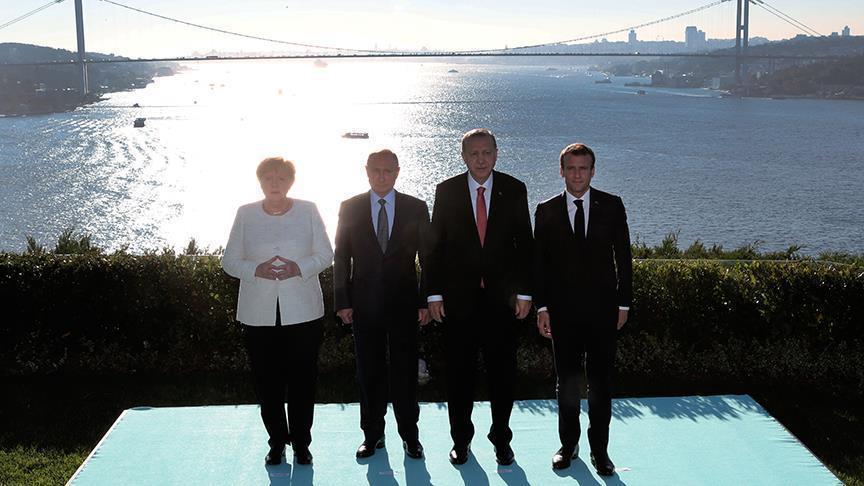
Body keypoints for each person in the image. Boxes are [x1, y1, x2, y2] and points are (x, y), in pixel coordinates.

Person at [426, 128, 533, 466]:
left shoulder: (514, 189)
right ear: (463, 157)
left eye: (487, 152)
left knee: (503, 376)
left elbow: (525, 244)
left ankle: (501, 438)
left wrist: (525, 292)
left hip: (503, 303)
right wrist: (433, 294)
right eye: (474, 153)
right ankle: (461, 441)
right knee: (459, 377)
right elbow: (434, 247)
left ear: (497, 154)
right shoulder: (446, 191)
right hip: (459, 303)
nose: (481, 159)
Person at [222, 157, 333, 466]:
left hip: (303, 313)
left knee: (302, 383)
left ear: (290, 182)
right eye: (268, 178)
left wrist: (300, 267)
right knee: (267, 384)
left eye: (281, 178)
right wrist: (255, 269)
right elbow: (229, 261)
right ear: (260, 181)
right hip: (258, 315)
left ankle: (301, 444)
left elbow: (326, 254)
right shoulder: (245, 214)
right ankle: (276, 443)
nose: (275, 183)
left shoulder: (308, 210)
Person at [533, 143, 632, 475]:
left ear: (593, 171)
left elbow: (624, 258)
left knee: (601, 384)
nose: (577, 175)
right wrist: (542, 307)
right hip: (562, 313)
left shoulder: (612, 205)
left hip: (604, 311)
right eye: (571, 168)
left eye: (583, 168)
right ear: (561, 171)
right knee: (567, 383)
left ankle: (600, 451)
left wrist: (623, 303)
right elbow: (539, 264)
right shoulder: (545, 210)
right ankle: (568, 445)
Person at [333, 149, 431, 460]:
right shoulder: (350, 207)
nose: (382, 176)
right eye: (376, 170)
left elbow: (427, 258)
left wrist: (425, 301)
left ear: (398, 172)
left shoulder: (416, 207)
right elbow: (341, 256)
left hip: (405, 305)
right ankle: (372, 435)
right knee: (368, 373)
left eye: (388, 170)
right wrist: (342, 300)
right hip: (364, 305)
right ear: (367, 171)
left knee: (405, 373)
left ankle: (410, 436)